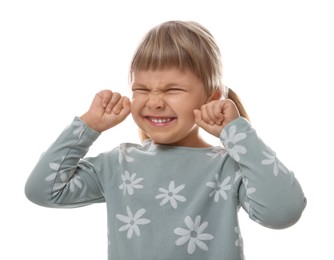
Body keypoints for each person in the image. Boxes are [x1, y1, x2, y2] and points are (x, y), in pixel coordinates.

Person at [25, 20, 306, 260]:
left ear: (211, 97)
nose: (155, 102)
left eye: (173, 89)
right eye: (142, 89)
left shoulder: (229, 167)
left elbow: (284, 211)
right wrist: (88, 126)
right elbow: (42, 190)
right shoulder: (118, 164)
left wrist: (237, 132)